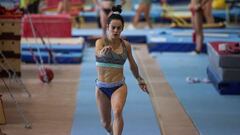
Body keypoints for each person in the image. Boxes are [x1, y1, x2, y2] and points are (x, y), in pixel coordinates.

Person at [95, 5, 148, 135]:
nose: (116, 30)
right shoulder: (100, 42)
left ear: (122, 29)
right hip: (101, 87)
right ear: (107, 27)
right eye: (113, 27)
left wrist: (139, 79)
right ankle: (111, 131)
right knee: (105, 123)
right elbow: (98, 54)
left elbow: (132, 64)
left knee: (117, 111)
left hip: (119, 86)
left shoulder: (126, 45)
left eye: (119, 28)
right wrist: (102, 53)